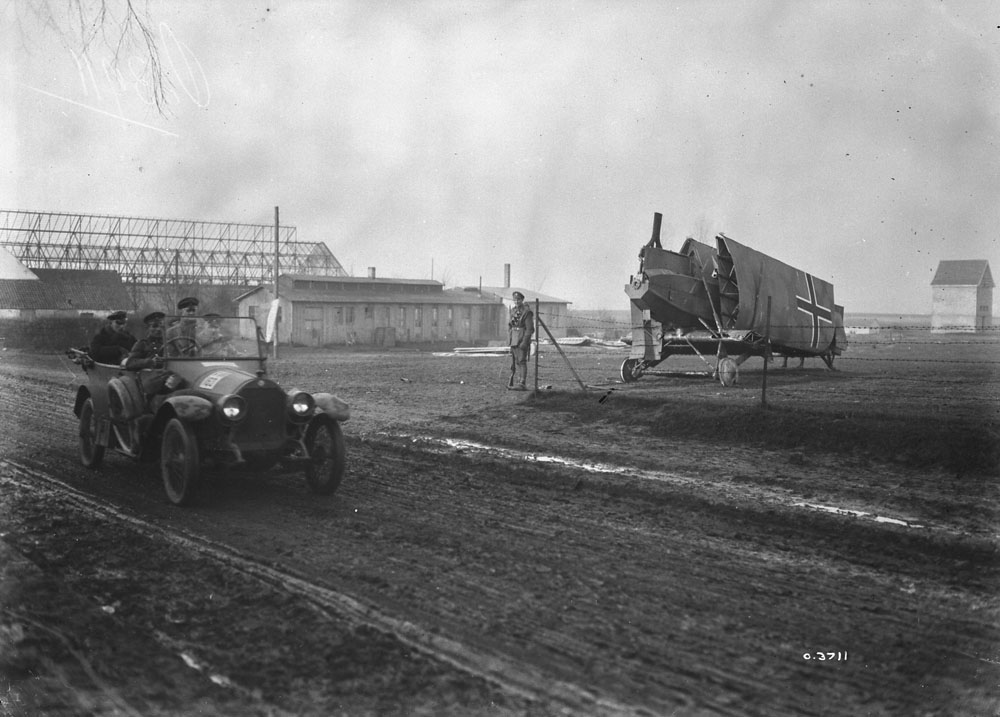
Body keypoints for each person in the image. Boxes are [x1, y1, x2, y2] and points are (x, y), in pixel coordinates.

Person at [507, 291, 534, 391]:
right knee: (516, 362)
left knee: (522, 361)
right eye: (515, 299)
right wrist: (510, 339)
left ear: (522, 300)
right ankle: (518, 381)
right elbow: (510, 326)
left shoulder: (527, 312)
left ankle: (522, 383)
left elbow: (530, 329)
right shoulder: (513, 311)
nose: (516, 301)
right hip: (514, 339)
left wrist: (525, 342)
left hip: (522, 338)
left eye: (518, 299)